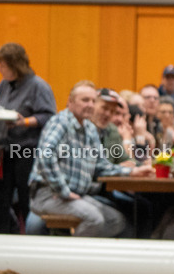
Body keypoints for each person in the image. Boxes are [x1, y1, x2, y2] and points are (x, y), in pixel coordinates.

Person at [29, 81, 153, 236]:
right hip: (50, 194)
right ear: (70, 102)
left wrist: (132, 172)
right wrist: (63, 191)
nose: (90, 105)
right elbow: (45, 157)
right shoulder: (60, 122)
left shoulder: (89, 129)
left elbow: (101, 165)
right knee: (94, 219)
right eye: (85, 100)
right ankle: (71, 258)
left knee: (116, 220)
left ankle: (83, 252)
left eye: (93, 101)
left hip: (76, 195)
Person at [0, 44, 58, 233]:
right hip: (5, 149)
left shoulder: (38, 86)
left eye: (2, 65)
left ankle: (30, 239)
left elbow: (49, 116)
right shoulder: (4, 85)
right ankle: (0, 238)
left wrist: (24, 121)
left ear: (15, 65)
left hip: (27, 151)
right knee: (0, 199)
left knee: (26, 197)